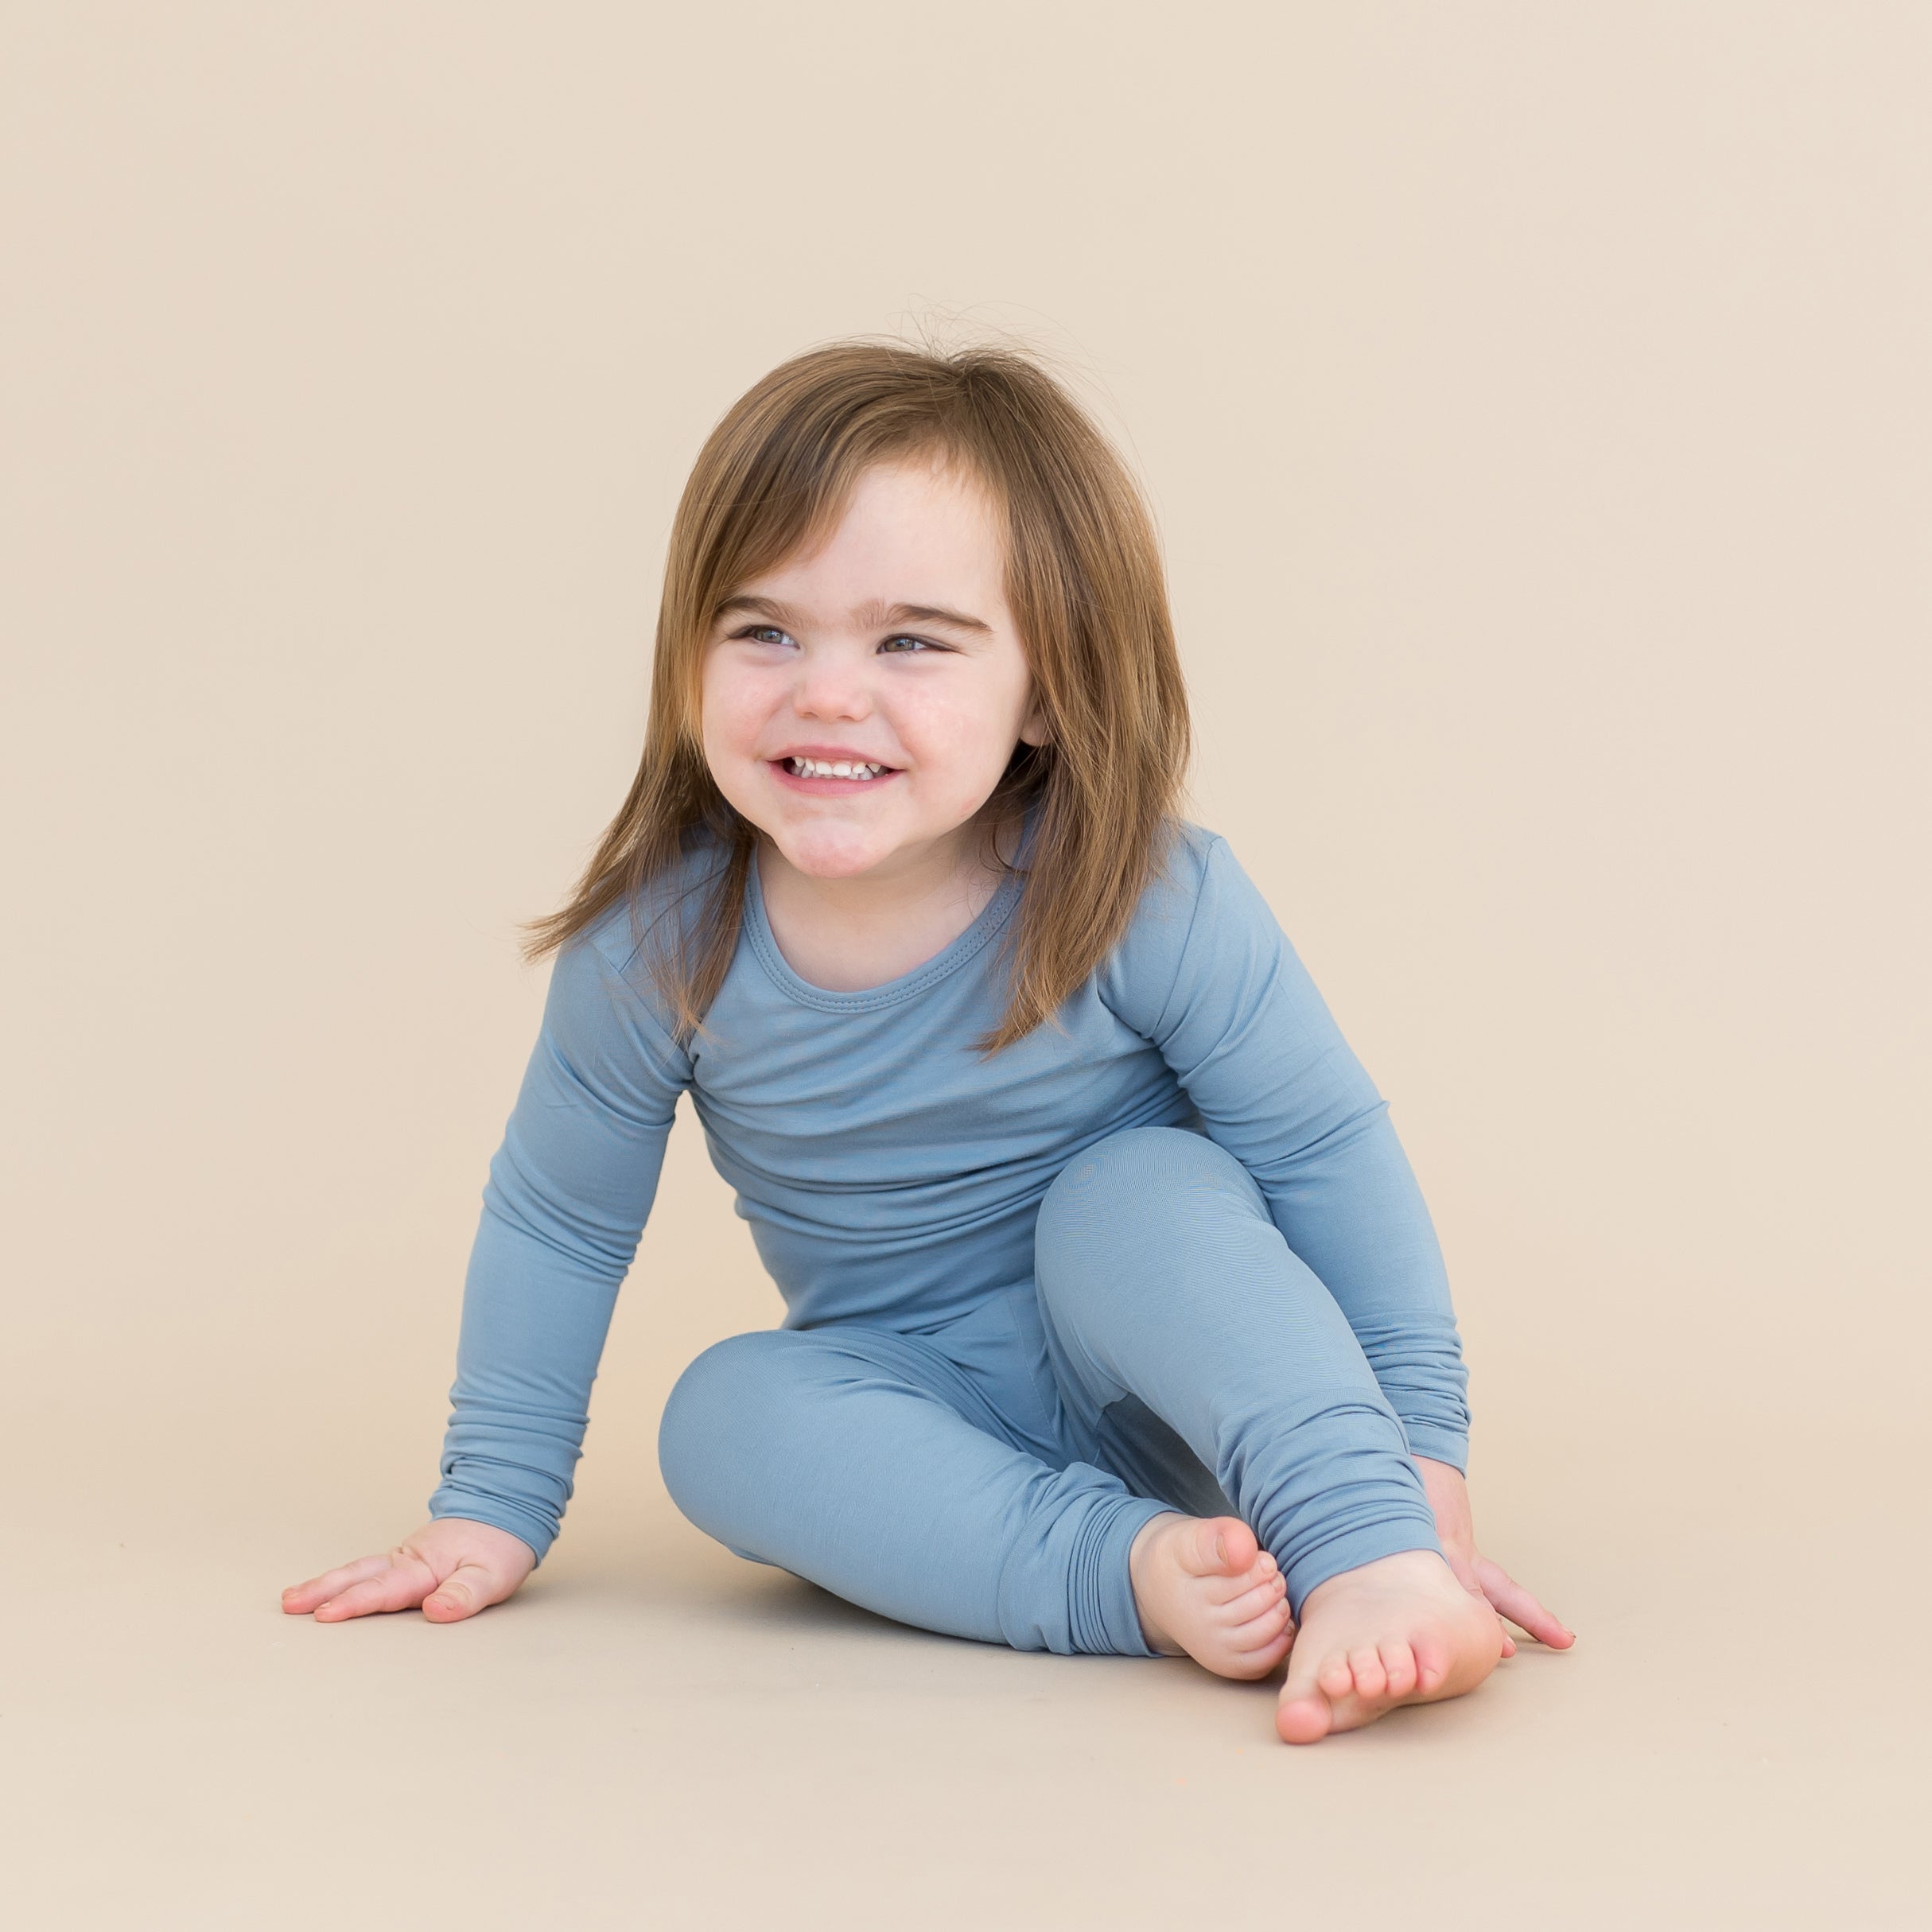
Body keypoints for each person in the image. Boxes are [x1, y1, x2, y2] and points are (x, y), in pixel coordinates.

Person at [282, 340, 1573, 1743]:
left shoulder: (1146, 896)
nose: (826, 691)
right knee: (723, 1412)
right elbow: (559, 1220)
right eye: (763, 629)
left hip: (1203, 1391)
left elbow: (1323, 1152)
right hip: (931, 1424)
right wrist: (489, 1504)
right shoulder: (657, 948)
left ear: (1045, 690)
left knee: (1132, 1192)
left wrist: (1419, 1477)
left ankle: (1360, 1552)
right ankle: (1133, 1573)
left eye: (909, 640)